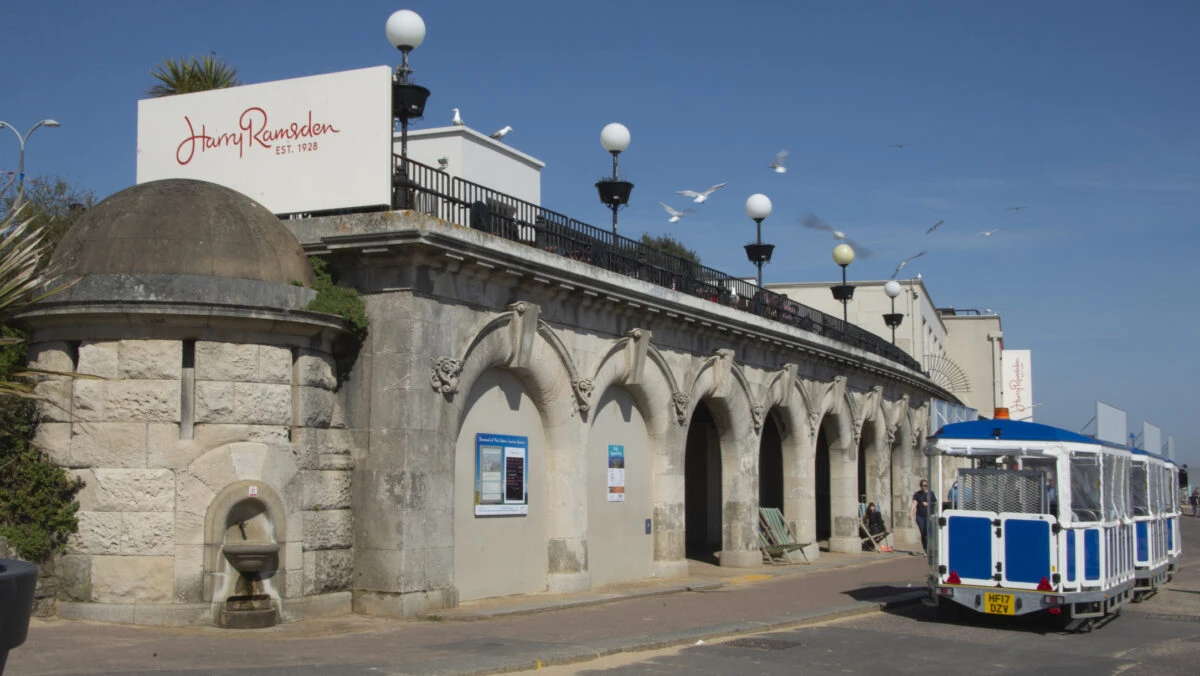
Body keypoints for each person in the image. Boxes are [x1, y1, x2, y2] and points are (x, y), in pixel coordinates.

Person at [909, 479, 934, 553]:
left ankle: (930, 548)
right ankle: (925, 549)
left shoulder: (931, 494)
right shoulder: (917, 494)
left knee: (927, 532)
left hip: (928, 515)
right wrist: (911, 513)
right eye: (922, 485)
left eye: (925, 485)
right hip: (920, 516)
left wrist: (928, 504)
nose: (923, 487)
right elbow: (914, 503)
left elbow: (935, 503)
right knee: (923, 532)